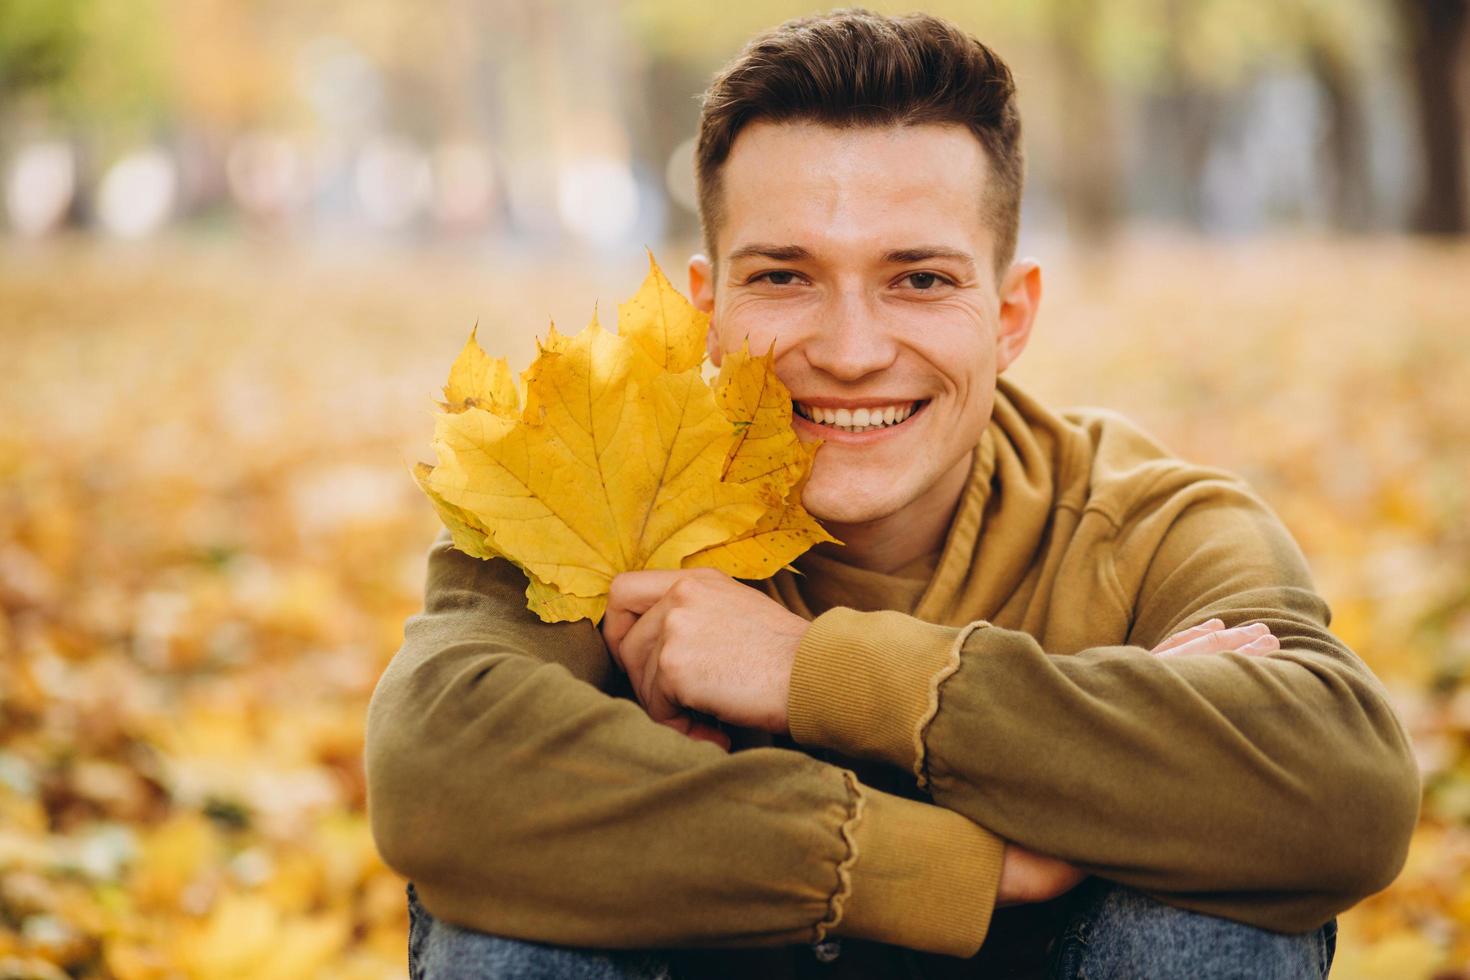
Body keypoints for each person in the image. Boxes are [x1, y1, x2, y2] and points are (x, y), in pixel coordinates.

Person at [365, 9, 1420, 979]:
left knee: (1218, 897)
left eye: (919, 278)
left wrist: (810, 670)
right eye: (784, 276)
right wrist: (971, 863)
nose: (852, 350)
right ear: (707, 307)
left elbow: (1346, 784)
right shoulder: (592, 498)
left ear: (1010, 314)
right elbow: (441, 768)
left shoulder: (1142, 523)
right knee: (504, 909)